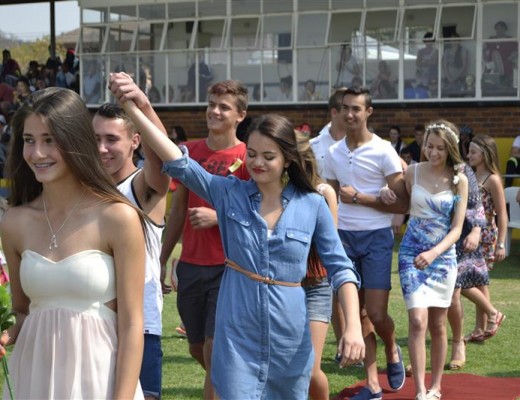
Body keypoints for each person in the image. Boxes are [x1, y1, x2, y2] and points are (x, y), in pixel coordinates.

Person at [118, 100, 366, 398]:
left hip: (289, 340)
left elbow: (341, 269)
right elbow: (179, 164)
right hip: (236, 337)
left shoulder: (312, 204)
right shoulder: (228, 193)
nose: (257, 162)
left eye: (268, 156)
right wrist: (137, 109)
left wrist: (353, 326)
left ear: (287, 159)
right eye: (252, 154)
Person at [0, 87, 147, 399]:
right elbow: (23, 311)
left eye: (49, 140)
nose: (37, 153)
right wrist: (6, 332)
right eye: (29, 140)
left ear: (76, 141)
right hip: (35, 378)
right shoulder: (14, 222)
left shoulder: (117, 217)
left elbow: (132, 324)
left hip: (100, 380)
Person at [158, 79, 250, 400]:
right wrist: (161, 259)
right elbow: (178, 211)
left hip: (229, 267)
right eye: (211, 104)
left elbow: (258, 213)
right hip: (191, 266)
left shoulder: (248, 156)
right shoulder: (190, 151)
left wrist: (218, 216)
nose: (215, 111)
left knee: (213, 350)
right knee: (197, 348)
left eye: (224, 107)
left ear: (240, 115)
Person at [323, 87, 409, 400]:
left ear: (368, 112)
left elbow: (403, 204)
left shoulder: (384, 150)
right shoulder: (332, 153)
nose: (350, 114)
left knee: (376, 313)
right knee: (357, 313)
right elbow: (330, 199)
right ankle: (372, 383)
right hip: (343, 238)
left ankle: (392, 346)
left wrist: (361, 198)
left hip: (376, 237)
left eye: (356, 109)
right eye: (345, 107)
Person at [94, 73, 171, 400]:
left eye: (112, 139)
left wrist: (143, 106)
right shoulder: (87, 191)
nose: (102, 148)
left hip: (141, 328)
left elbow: (166, 160)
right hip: (94, 324)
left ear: (135, 141)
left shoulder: (142, 187)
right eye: (96, 138)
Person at [394, 120, 468, 400]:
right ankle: (419, 390)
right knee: (417, 320)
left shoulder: (459, 180)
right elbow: (400, 203)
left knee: (438, 324)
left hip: (442, 258)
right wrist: (388, 194)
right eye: (429, 146)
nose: (433, 152)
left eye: (440, 148)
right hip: (411, 254)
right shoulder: (411, 171)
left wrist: (434, 253)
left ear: (450, 149)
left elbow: (457, 229)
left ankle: (436, 387)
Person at [297, 131, 338, 400]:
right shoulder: (271, 192)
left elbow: (331, 245)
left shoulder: (323, 192)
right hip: (281, 286)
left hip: (316, 284)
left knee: (310, 370)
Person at [310, 87, 349, 345]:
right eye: (347, 108)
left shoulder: (371, 144)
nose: (352, 114)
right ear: (334, 112)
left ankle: (359, 340)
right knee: (328, 283)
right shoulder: (314, 146)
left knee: (358, 290)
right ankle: (342, 341)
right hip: (324, 224)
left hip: (359, 225)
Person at [464, 135, 507, 341]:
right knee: (480, 283)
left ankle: (490, 318)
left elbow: (502, 214)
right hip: (469, 234)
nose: (468, 155)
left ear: (485, 154)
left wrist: (501, 244)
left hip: (486, 236)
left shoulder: (493, 179)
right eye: (469, 151)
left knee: (473, 281)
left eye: (473, 152)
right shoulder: (470, 175)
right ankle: (481, 328)